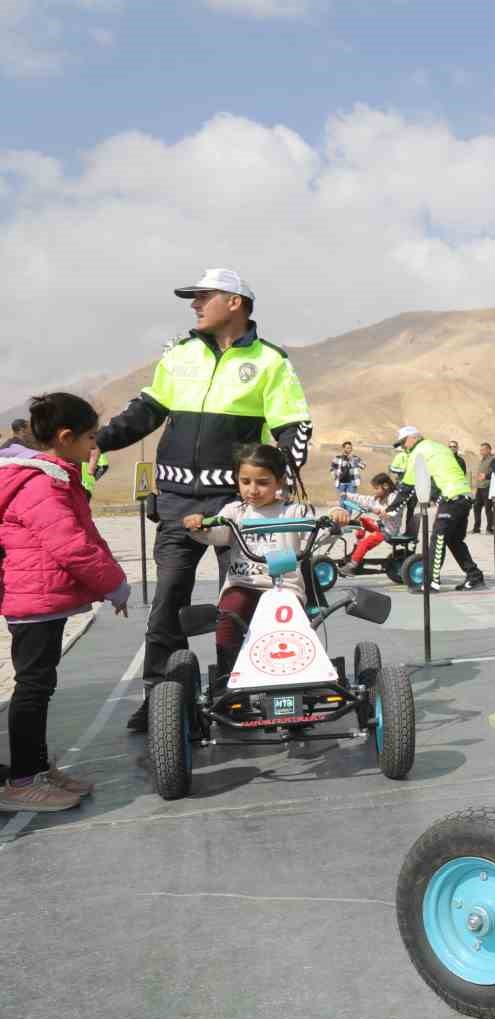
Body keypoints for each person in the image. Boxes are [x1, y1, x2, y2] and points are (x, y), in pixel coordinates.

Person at [96, 268, 313, 732]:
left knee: (240, 597)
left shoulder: (272, 362)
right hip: (175, 501)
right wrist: (103, 440)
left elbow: (293, 424)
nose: (194, 306)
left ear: (234, 302)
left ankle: (235, 691)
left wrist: (287, 478)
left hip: (235, 504)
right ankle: (161, 699)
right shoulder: (179, 355)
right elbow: (148, 409)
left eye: (203, 297)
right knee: (168, 603)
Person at [0, 393, 130, 813]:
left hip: (45, 600)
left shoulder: (56, 475)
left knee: (41, 685)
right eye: (91, 438)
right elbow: (71, 546)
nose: (95, 447)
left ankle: (37, 768)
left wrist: (113, 575)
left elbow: (86, 532)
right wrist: (114, 583)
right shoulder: (39, 483)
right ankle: (22, 781)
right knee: (32, 688)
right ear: (65, 436)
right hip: (32, 601)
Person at [183, 444, 334, 676]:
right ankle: (227, 676)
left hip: (285, 587)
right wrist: (198, 525)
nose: (253, 490)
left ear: (280, 481)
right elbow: (218, 533)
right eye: (245, 482)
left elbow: (316, 534)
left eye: (263, 483)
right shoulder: (235, 512)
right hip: (243, 583)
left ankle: (300, 675)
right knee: (228, 615)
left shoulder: (294, 512)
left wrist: (334, 520)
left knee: (293, 628)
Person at [389, 426, 484, 592]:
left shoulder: (418, 452)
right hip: (465, 497)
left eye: (404, 442)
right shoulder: (438, 447)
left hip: (451, 498)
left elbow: (407, 486)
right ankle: (474, 576)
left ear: (413, 438)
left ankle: (431, 582)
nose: (403, 447)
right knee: (454, 540)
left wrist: (391, 510)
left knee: (437, 539)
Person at [338, 471, 403, 575]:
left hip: (388, 531)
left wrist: (377, 510)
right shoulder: (380, 498)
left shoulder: (394, 498)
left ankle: (352, 566)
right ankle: (357, 549)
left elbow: (389, 512)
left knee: (366, 542)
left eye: (377, 488)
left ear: (385, 486)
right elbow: (365, 499)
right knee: (361, 522)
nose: (375, 491)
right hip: (381, 526)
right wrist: (347, 495)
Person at [470, 442, 495, 534]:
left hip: (488, 487)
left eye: (483, 449)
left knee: (488, 508)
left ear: (489, 450)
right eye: (480, 450)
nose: (481, 451)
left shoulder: (493, 460)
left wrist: (486, 476)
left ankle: (490, 528)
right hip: (480, 488)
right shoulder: (482, 460)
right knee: (476, 507)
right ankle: (476, 528)